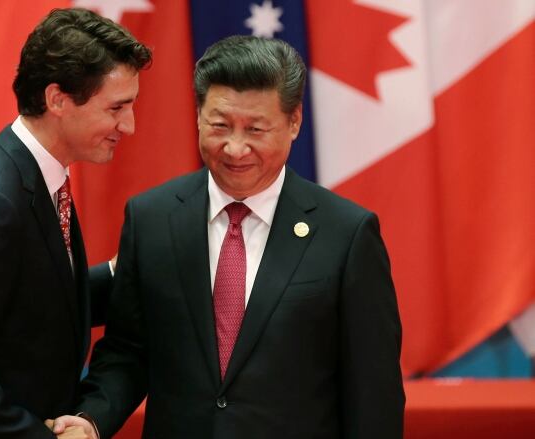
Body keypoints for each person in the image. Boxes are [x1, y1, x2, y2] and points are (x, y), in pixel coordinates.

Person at [52, 36, 404, 438]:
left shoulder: (347, 234)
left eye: (256, 129)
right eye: (219, 126)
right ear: (199, 116)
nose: (236, 148)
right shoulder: (152, 218)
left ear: (294, 122)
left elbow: (373, 393)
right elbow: (128, 352)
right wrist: (91, 419)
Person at [0, 8, 151, 439]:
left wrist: (124, 272)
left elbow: (37, 302)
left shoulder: (41, 175)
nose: (128, 126)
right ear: (57, 99)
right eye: (116, 108)